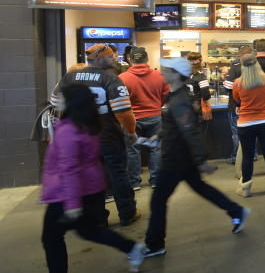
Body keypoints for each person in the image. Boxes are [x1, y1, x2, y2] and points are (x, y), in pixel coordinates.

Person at [22, 85, 146, 273]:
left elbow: (69, 169)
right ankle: (132, 248)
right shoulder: (88, 124)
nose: (56, 100)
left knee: (51, 237)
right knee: (89, 231)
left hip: (68, 193)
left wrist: (71, 204)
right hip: (90, 188)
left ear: (73, 102)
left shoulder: (69, 130)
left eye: (62, 97)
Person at [142, 58, 250, 258]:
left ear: (175, 74)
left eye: (165, 70)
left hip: (177, 159)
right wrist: (158, 136)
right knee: (202, 188)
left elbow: (190, 131)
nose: (160, 73)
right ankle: (236, 211)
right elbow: (175, 125)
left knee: (158, 201)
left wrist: (201, 160)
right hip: (181, 156)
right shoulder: (176, 96)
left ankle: (155, 243)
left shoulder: (179, 100)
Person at [50, 44, 140, 226]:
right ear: (99, 59)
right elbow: (124, 112)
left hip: (81, 137)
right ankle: (127, 213)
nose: (113, 59)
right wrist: (131, 132)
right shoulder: (111, 79)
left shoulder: (70, 77)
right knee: (118, 175)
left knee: (91, 177)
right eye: (109, 57)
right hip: (108, 135)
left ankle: (98, 219)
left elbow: (55, 102)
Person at [227, 39, 265, 177]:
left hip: (248, 108)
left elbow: (235, 88)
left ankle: (240, 171)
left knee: (245, 143)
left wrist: (239, 104)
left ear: (255, 49)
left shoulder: (247, 64)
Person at [119, 46, 168, 190]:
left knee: (132, 150)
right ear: (147, 59)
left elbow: (119, 99)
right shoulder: (159, 76)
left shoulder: (122, 78)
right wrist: (157, 105)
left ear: (130, 59)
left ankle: (134, 183)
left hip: (131, 119)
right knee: (156, 149)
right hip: (154, 117)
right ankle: (156, 180)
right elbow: (165, 95)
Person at [224, 45, 252, 169]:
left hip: (236, 105)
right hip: (251, 105)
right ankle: (253, 154)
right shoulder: (256, 67)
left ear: (239, 55)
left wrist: (224, 79)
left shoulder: (235, 67)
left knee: (236, 133)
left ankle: (236, 156)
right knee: (251, 132)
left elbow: (228, 86)